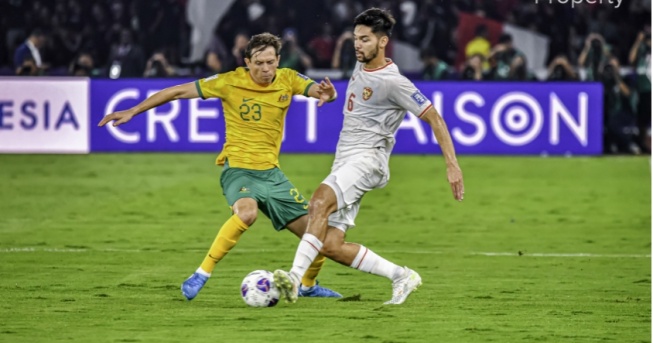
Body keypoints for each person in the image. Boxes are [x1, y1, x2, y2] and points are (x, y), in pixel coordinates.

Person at [98, 33, 343, 301]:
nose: (265, 69)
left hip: (272, 175)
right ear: (247, 62)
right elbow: (177, 91)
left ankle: (308, 285)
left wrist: (328, 95)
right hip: (238, 170)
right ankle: (201, 273)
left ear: (278, 60)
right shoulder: (228, 81)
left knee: (319, 233)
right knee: (247, 213)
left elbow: (318, 92)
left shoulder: (288, 79)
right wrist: (133, 110)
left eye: (270, 62)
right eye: (259, 63)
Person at [273, 8, 464, 305]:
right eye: (356, 39)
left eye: (365, 39)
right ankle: (402, 275)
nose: (357, 45)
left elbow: (435, 118)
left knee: (318, 202)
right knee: (330, 245)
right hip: (345, 159)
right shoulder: (361, 64)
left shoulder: (393, 81)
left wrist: (452, 166)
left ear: (383, 41)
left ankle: (294, 280)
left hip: (368, 160)